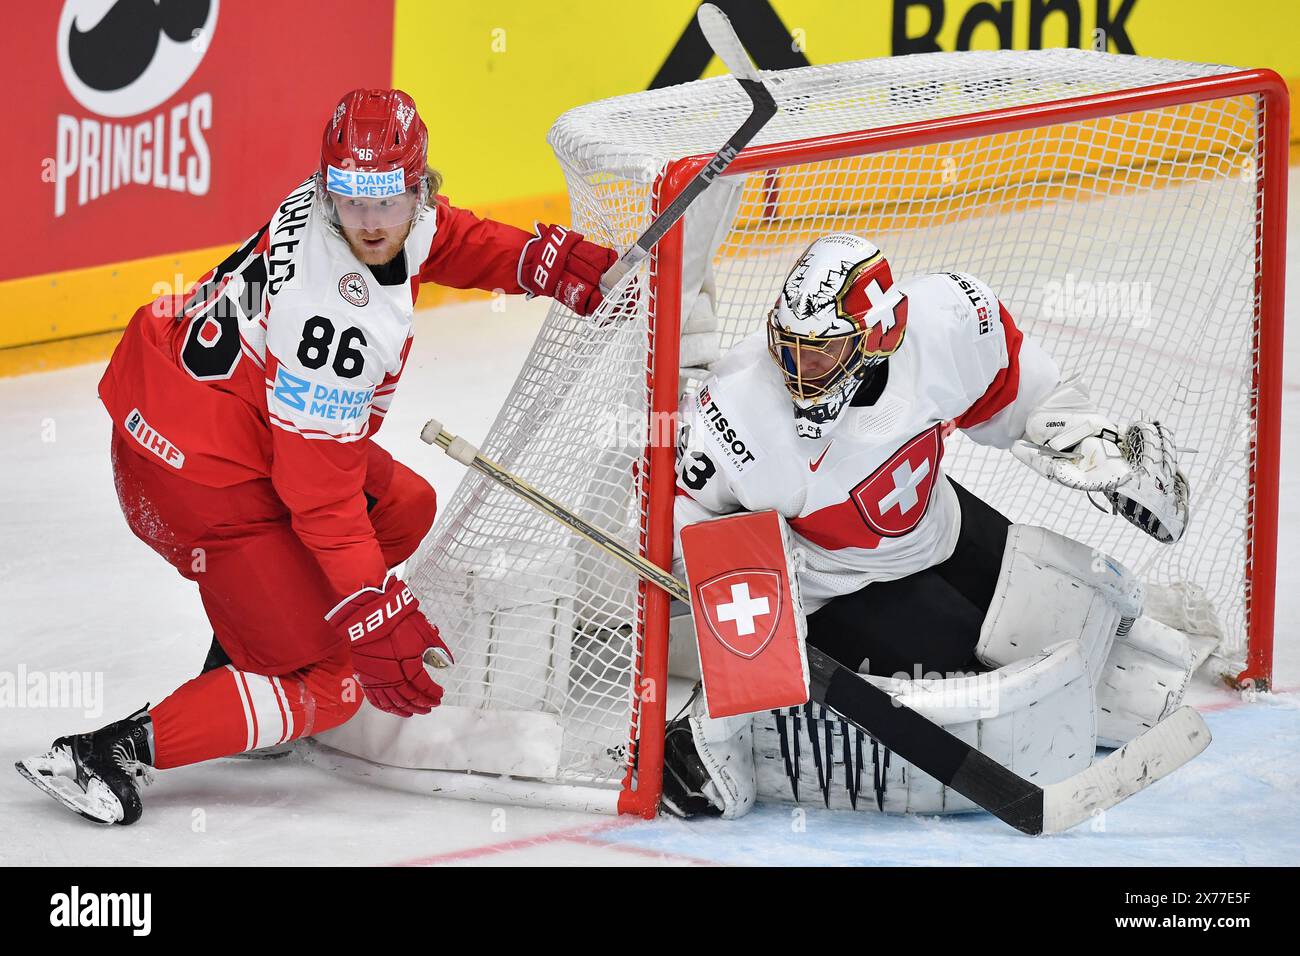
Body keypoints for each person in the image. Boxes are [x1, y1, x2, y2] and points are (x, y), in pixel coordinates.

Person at [16, 88, 617, 826]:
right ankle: (111, 750)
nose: (369, 222)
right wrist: (370, 612)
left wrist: (536, 261)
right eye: (353, 201)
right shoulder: (335, 316)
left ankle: (249, 657)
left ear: (419, 185)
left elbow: (440, 237)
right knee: (330, 686)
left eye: (386, 199)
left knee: (406, 507)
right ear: (331, 188)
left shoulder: (341, 196)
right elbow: (319, 496)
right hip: (192, 479)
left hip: (212, 420)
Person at [663, 232, 1194, 818]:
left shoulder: (947, 321)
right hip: (839, 586)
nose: (796, 370)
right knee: (1004, 705)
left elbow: (1020, 390)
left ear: (879, 336)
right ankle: (748, 728)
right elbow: (689, 529)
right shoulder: (740, 409)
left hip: (938, 526)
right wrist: (744, 665)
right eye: (787, 347)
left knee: (1085, 611)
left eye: (818, 353)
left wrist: (1092, 445)